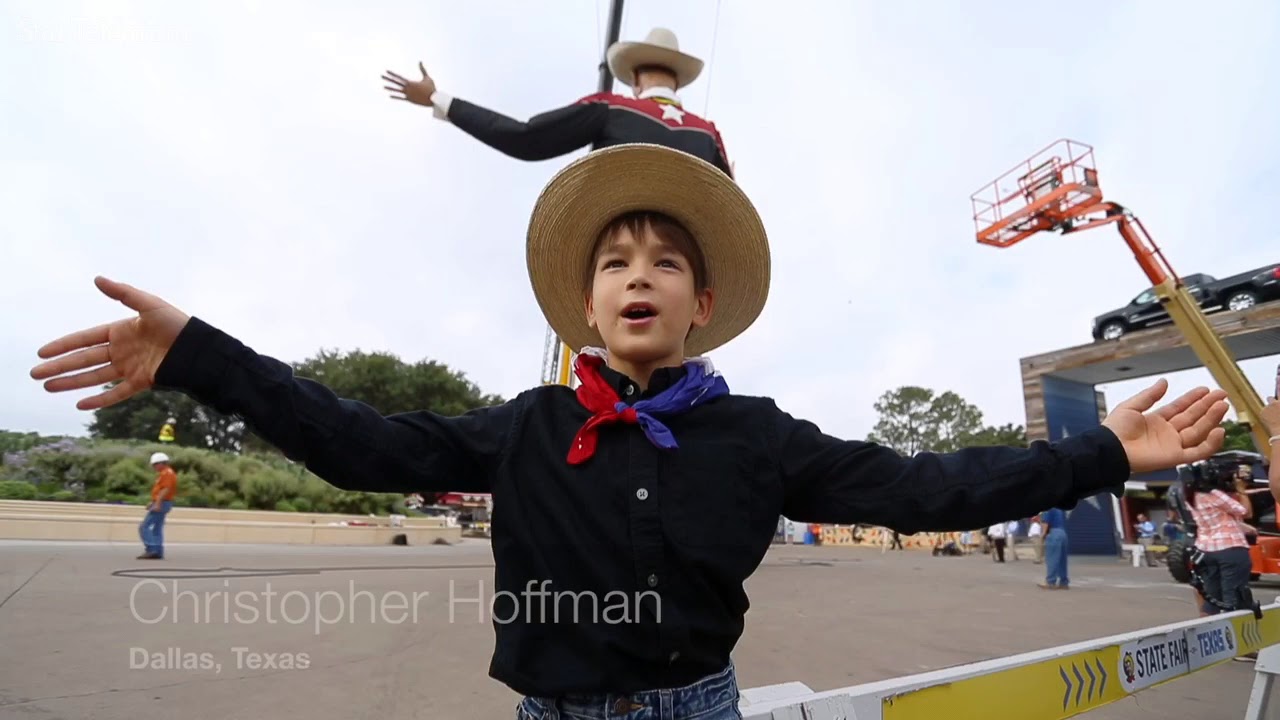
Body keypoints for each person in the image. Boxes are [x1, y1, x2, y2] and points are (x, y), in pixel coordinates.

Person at [30, 144, 1230, 718]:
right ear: (587, 305)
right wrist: (201, 356)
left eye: (664, 263)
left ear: (700, 306)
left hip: (697, 706)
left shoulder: (757, 437)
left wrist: (1102, 454)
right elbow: (361, 442)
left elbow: (922, 487)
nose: (637, 276)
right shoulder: (526, 426)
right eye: (614, 263)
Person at [381, 28, 734, 178]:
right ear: (677, 79)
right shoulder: (707, 135)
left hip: (614, 266)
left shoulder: (610, 108)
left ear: (635, 77)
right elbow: (730, 214)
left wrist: (439, 99)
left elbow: (525, 138)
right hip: (681, 292)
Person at [1185, 462, 1252, 618]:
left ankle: (1209, 631)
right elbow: (1246, 512)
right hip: (1230, 548)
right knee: (1234, 596)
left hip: (1206, 550)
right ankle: (1235, 633)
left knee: (1211, 598)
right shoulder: (1213, 494)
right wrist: (1241, 490)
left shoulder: (1191, 497)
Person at [138, 451, 177, 560]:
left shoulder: (167, 474)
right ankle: (158, 551)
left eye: (155, 464)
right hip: (164, 502)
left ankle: (152, 549)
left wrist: (158, 503)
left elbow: (165, 489)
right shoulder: (166, 473)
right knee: (157, 528)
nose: (154, 467)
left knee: (144, 527)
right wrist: (153, 501)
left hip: (163, 502)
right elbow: (161, 490)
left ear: (161, 463)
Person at [1039, 507, 1069, 589]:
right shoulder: (1059, 509)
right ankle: (1064, 582)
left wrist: (1043, 534)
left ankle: (1050, 582)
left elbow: (1046, 522)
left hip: (1053, 533)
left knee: (1052, 558)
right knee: (1062, 560)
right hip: (1063, 533)